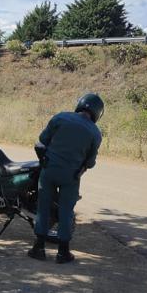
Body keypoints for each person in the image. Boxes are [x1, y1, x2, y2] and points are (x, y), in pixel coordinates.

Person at [28, 93, 104, 264]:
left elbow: (42, 141)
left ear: (80, 104)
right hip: (71, 176)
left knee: (43, 208)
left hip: (48, 170)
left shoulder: (60, 117)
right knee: (66, 211)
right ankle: (63, 252)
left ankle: (38, 248)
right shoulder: (95, 132)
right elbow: (90, 162)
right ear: (97, 112)